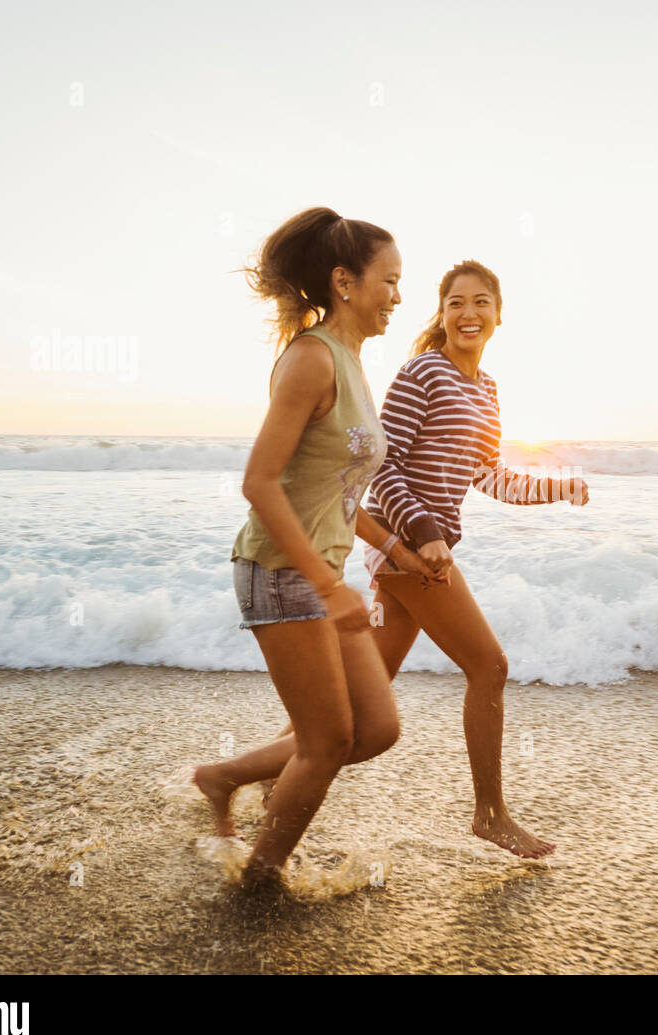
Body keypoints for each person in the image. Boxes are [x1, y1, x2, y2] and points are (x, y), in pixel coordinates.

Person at [263, 260, 589, 859]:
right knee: (489, 666)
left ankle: (254, 773)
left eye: (481, 302)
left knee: (361, 701)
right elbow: (378, 466)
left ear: (499, 314)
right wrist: (422, 532)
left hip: (420, 555)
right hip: (407, 553)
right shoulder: (423, 373)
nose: (469, 313)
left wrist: (556, 487)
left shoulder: (485, 389)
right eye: (456, 303)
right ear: (441, 314)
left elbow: (490, 476)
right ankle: (490, 815)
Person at [191, 207, 438, 884]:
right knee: (328, 739)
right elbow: (260, 482)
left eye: (400, 282)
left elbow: (338, 488)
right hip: (279, 570)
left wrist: (396, 550)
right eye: (389, 280)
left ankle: (224, 776)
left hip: (320, 572)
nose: (397, 295)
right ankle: (262, 875)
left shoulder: (354, 362)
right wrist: (329, 588)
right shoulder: (310, 358)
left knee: (376, 729)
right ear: (344, 281)